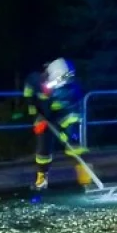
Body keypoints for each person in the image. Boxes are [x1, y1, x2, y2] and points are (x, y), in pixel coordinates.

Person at [23, 58, 89, 191]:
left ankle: (86, 179)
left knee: (74, 147)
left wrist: (69, 134)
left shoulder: (71, 89)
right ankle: (41, 181)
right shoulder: (35, 79)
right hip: (42, 116)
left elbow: (72, 114)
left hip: (61, 115)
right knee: (43, 149)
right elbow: (29, 94)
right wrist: (35, 113)